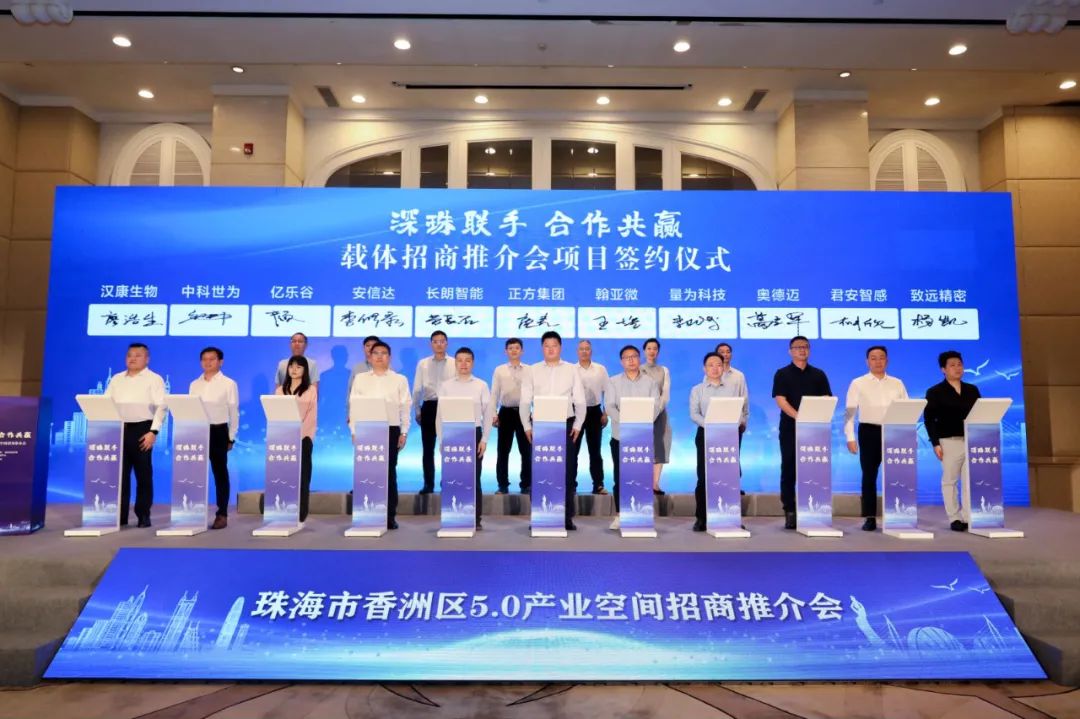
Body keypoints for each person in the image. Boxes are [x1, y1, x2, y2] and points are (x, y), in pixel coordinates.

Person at [520, 330, 587, 531]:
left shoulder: (571, 369)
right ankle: (539, 516)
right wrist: (527, 426)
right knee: (539, 471)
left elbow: (580, 399)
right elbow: (525, 400)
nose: (550, 349)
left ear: (560, 347)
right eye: (546, 346)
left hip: (565, 425)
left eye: (554, 345)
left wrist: (578, 425)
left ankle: (566, 517)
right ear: (542, 348)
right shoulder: (532, 370)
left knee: (567, 471)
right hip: (540, 426)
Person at [844, 345, 908, 532]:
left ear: (887, 360)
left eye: (881, 357)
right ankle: (870, 517)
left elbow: (907, 409)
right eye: (873, 358)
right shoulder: (858, 383)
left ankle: (898, 514)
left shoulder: (897, 383)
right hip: (869, 432)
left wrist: (907, 435)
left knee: (897, 475)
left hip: (894, 432)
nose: (878, 361)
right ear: (867, 361)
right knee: (869, 475)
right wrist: (850, 436)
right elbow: (850, 413)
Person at [772, 336, 832, 530]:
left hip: (815, 430)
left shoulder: (819, 374)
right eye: (797, 347)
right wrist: (799, 417)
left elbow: (826, 398)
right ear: (790, 351)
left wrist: (816, 417)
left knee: (814, 468)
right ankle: (790, 510)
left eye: (805, 346)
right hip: (790, 428)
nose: (802, 350)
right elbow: (780, 400)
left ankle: (813, 508)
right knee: (789, 468)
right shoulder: (782, 373)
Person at [104, 342, 167, 528]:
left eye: (138, 355)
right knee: (119, 476)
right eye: (130, 355)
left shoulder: (154, 379)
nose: (132, 358)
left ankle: (143, 514)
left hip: (142, 429)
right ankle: (120, 516)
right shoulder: (116, 379)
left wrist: (153, 431)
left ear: (147, 359)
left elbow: (162, 407)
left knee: (143, 475)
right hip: (119, 429)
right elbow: (105, 403)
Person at [350, 340, 411, 529]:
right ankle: (366, 513)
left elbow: (405, 406)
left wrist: (404, 431)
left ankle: (389, 516)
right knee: (366, 472)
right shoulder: (360, 378)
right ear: (369, 356)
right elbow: (354, 405)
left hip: (390, 429)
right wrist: (354, 431)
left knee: (389, 472)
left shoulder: (399, 379)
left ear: (389, 357)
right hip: (366, 429)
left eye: (384, 353)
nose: (379, 356)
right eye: (375, 353)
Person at [691, 351, 749, 532]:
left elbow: (739, 411)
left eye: (718, 364)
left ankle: (730, 517)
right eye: (711, 365)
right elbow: (694, 414)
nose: (715, 368)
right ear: (704, 368)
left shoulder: (732, 389)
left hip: (727, 436)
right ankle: (701, 518)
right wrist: (710, 425)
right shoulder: (697, 390)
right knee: (704, 477)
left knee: (729, 477)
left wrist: (736, 422)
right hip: (705, 435)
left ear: (723, 367)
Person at [924, 350, 981, 532]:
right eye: (952, 365)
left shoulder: (972, 390)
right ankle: (954, 517)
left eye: (959, 364)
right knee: (950, 480)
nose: (957, 368)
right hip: (948, 441)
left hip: (971, 441)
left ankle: (967, 517)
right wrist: (935, 443)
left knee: (969, 481)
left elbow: (981, 414)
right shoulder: (935, 392)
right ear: (943, 369)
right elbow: (929, 420)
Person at [437, 347, 493, 530]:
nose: (463, 364)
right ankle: (452, 516)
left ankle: (475, 518)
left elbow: (488, 414)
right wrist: (441, 440)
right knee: (451, 477)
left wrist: (484, 439)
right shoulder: (446, 386)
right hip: (451, 435)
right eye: (459, 360)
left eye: (467, 360)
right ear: (455, 363)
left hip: (473, 433)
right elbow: (440, 416)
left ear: (473, 363)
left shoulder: (481, 385)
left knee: (473, 478)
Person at [605, 344, 660, 531]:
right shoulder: (613, 381)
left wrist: (640, 423)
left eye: (634, 356)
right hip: (620, 437)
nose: (631, 360)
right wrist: (627, 422)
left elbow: (655, 407)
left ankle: (642, 514)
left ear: (639, 358)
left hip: (642, 438)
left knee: (641, 476)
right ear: (622, 361)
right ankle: (620, 515)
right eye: (627, 357)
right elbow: (610, 406)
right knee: (620, 477)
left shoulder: (650, 382)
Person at [188, 346, 239, 529]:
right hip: (197, 432)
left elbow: (234, 412)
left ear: (220, 362)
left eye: (212, 359)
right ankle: (192, 512)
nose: (207, 362)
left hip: (218, 431)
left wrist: (231, 437)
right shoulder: (194, 384)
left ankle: (222, 514)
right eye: (204, 359)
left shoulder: (228, 384)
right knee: (194, 474)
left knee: (220, 474)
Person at [275, 355, 318, 524]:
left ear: (305, 370)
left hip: (303, 438)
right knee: (283, 476)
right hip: (283, 440)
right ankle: (283, 509)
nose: (294, 370)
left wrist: (300, 434)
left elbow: (311, 416)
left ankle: (301, 513)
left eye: (298, 367)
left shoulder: (310, 390)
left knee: (303, 476)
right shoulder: (280, 391)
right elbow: (276, 413)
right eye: (291, 366)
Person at [413, 330, 455, 494]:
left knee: (449, 448)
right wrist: (417, 410)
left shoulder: (454, 362)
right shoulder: (423, 363)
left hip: (449, 407)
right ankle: (428, 484)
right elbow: (417, 388)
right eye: (435, 341)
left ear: (446, 343)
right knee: (428, 449)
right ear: (431, 344)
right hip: (429, 407)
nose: (439, 344)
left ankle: (449, 482)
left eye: (442, 341)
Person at [491, 337, 531, 494]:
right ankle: (502, 484)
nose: (514, 350)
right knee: (503, 451)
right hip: (505, 413)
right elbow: (494, 393)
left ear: (522, 351)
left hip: (524, 413)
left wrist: (535, 411)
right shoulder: (499, 370)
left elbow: (535, 392)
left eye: (517, 348)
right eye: (510, 348)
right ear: (506, 351)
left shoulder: (529, 370)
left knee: (526, 451)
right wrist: (493, 413)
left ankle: (526, 484)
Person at [573, 339, 610, 494]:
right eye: (581, 349)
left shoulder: (600, 369)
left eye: (587, 349)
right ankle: (570, 484)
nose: (584, 351)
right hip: (575, 412)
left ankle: (598, 484)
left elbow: (608, 391)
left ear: (591, 351)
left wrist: (605, 412)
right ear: (577, 352)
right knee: (572, 451)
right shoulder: (571, 370)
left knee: (595, 451)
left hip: (595, 413)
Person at [641, 338, 672, 495]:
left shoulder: (664, 370)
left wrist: (657, 410)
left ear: (658, 351)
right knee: (643, 448)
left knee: (660, 447)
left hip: (659, 413)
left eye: (655, 348)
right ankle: (643, 482)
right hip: (641, 413)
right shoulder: (638, 369)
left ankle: (655, 484)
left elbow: (665, 393)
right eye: (649, 348)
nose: (652, 351)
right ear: (644, 351)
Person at [345, 335, 380, 422]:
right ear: (363, 348)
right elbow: (351, 391)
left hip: (381, 412)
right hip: (361, 412)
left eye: (373, 345)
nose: (370, 348)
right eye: (367, 345)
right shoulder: (357, 368)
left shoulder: (388, 368)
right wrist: (349, 412)